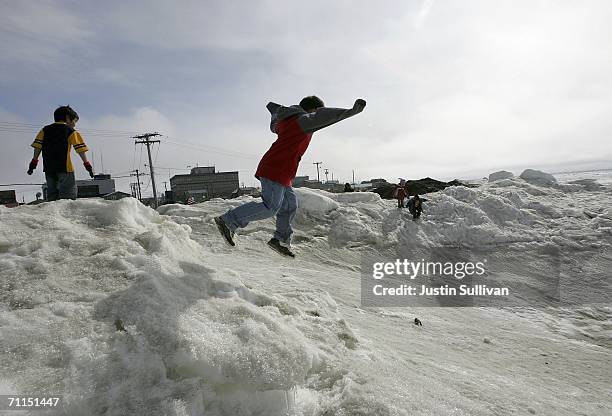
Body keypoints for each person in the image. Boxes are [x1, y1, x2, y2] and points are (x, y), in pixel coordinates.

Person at [215, 96, 366, 257]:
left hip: (282, 171)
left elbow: (276, 122)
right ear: (312, 110)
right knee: (270, 207)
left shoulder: (289, 119)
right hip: (275, 168)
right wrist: (351, 111)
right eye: (315, 112)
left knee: (289, 205)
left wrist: (276, 111)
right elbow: (324, 117)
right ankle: (228, 220)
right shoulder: (301, 120)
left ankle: (280, 240)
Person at [27, 105, 94, 201]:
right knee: (67, 199)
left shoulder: (44, 130)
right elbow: (80, 150)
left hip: (49, 169)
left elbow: (37, 147)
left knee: (52, 197)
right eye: (74, 121)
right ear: (67, 117)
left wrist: (33, 163)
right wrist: (88, 166)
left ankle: (53, 215)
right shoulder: (71, 131)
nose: (74, 124)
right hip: (65, 169)